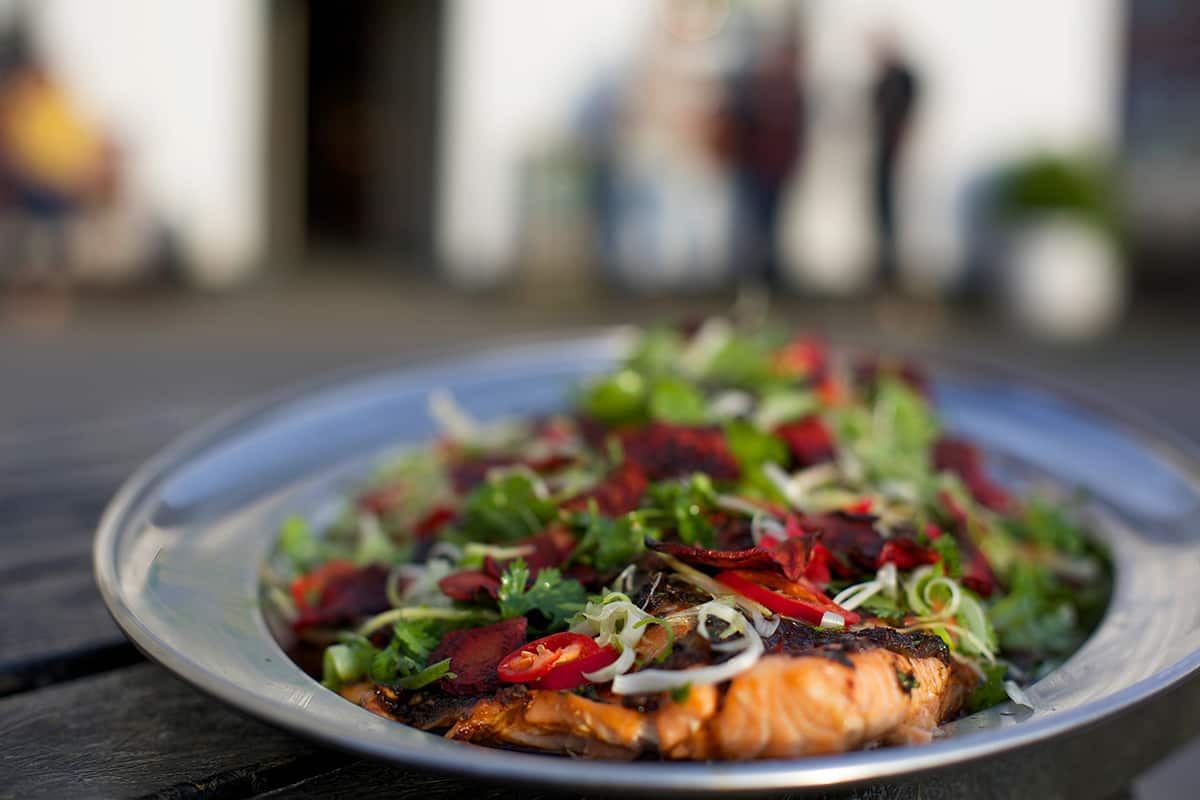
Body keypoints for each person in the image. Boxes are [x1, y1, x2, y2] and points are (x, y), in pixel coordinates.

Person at [870, 32, 919, 288]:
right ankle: (884, 264)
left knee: (891, 209)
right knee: (881, 209)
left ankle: (892, 266)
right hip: (882, 154)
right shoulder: (886, 80)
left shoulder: (901, 79)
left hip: (893, 155)